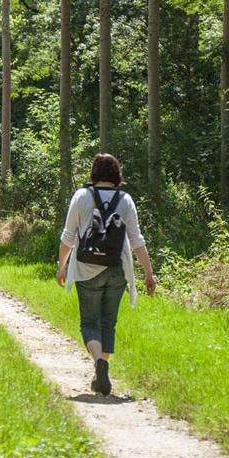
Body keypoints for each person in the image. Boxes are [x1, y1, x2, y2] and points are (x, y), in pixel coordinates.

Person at [55, 154, 157, 396]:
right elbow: (136, 240)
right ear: (116, 174)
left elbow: (68, 236)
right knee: (108, 322)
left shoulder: (81, 197)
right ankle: (103, 367)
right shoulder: (126, 200)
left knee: (89, 322)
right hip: (117, 269)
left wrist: (62, 266)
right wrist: (148, 273)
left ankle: (98, 362)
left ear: (94, 173)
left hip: (85, 269)